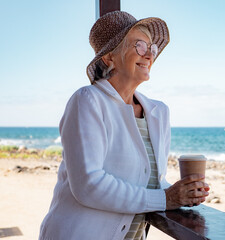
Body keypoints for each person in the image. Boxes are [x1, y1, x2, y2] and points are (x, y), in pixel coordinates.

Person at [39, 11, 210, 240]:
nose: (149, 54)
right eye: (140, 46)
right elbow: (89, 185)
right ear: (109, 58)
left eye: (152, 48)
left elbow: (149, 181)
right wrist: (167, 198)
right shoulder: (88, 100)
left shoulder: (159, 112)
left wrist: (184, 192)